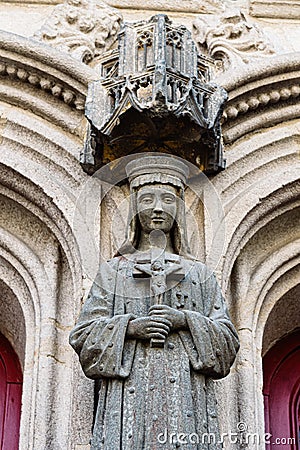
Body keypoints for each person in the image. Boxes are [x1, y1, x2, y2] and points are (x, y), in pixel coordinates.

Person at [70, 155, 239, 450]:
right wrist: (132, 327)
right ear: (134, 207)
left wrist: (184, 320)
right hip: (125, 408)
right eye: (147, 199)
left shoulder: (199, 275)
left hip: (188, 401)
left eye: (168, 200)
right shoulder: (114, 272)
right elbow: (83, 337)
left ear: (180, 208)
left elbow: (227, 343)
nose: (158, 208)